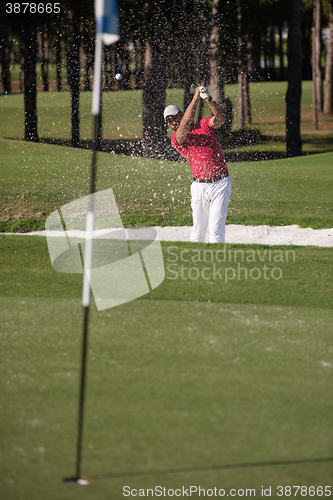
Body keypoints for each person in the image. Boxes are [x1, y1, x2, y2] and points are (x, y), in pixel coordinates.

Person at [164, 85, 231, 243]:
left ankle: (217, 264)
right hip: (199, 187)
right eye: (169, 121)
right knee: (197, 232)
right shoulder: (176, 138)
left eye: (174, 117)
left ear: (181, 114)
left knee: (216, 230)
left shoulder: (204, 125)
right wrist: (196, 98)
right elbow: (185, 124)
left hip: (221, 183)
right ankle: (195, 264)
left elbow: (221, 118)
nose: (173, 122)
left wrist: (208, 100)